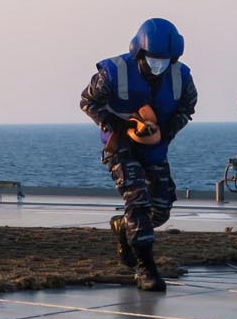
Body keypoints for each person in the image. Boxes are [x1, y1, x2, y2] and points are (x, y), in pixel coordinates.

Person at [80, 18, 197, 292]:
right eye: (153, 59)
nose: (158, 65)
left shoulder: (182, 76)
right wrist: (120, 124)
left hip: (155, 146)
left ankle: (124, 226)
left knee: (162, 206)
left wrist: (165, 130)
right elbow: (87, 101)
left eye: (164, 60)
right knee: (137, 200)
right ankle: (146, 269)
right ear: (139, 53)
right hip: (121, 145)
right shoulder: (113, 72)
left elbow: (187, 108)